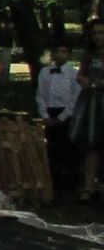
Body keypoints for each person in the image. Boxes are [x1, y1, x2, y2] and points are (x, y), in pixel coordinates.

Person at [34, 42, 81, 198]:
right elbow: (40, 95)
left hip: (67, 114)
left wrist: (62, 117)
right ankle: (53, 182)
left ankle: (70, 183)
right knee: (51, 149)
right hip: (50, 112)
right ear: (52, 54)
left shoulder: (74, 74)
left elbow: (76, 98)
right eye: (56, 51)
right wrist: (45, 115)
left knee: (68, 149)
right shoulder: (44, 72)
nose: (60, 54)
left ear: (69, 54)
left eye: (63, 51)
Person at [71, 19, 104, 202]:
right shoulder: (88, 55)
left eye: (101, 32)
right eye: (95, 33)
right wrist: (83, 80)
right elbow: (80, 74)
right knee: (92, 145)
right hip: (91, 102)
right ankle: (88, 185)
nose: (98, 37)